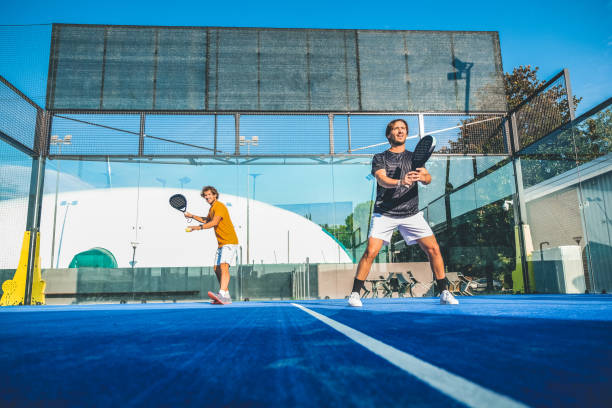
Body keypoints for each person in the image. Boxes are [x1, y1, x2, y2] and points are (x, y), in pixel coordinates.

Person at [348, 119, 458, 307]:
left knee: (433, 249)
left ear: (406, 134)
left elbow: (428, 177)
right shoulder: (380, 158)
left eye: (404, 129)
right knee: (371, 252)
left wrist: (422, 177)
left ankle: (444, 292)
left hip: (411, 213)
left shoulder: (414, 157)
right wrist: (401, 181)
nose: (401, 131)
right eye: (396, 129)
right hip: (385, 213)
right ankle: (355, 294)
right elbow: (382, 179)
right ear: (389, 135)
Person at [185, 186, 239, 305]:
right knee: (217, 268)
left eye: (209, 194)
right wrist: (192, 216)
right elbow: (207, 220)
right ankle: (226, 295)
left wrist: (196, 228)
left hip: (229, 241)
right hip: (221, 243)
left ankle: (222, 293)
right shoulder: (212, 209)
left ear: (215, 195)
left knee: (224, 266)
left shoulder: (219, 206)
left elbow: (214, 222)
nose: (207, 197)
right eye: (205, 195)